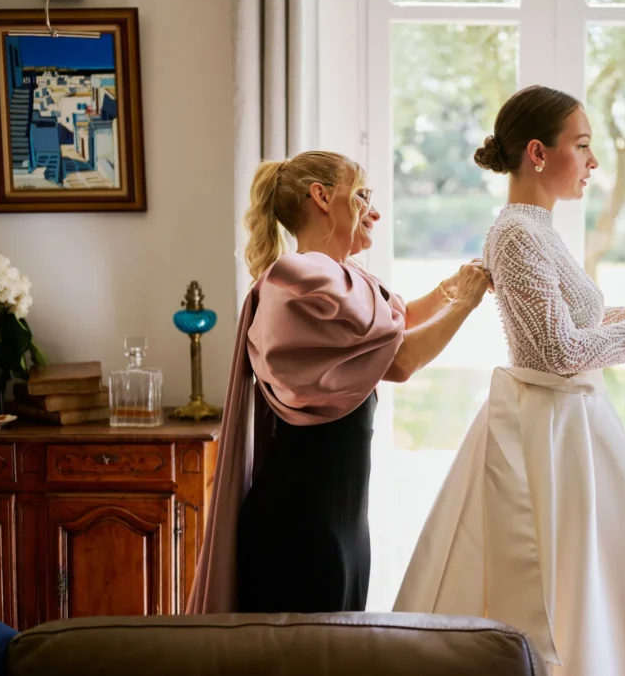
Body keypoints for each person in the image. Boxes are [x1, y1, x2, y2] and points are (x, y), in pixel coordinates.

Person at [393, 86, 625, 675]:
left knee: (596, 578)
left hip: (573, 425)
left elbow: (585, 321)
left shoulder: (536, 228)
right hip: (546, 434)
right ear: (538, 152)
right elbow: (561, 351)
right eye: (582, 147)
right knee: (552, 579)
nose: (593, 163)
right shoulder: (516, 233)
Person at [187, 150, 491, 614]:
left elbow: (398, 322)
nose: (375, 210)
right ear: (323, 197)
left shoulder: (338, 276)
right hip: (301, 525)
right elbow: (401, 359)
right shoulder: (303, 278)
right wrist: (464, 304)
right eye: (363, 195)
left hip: (340, 520)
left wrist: (452, 288)